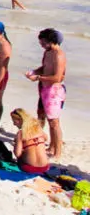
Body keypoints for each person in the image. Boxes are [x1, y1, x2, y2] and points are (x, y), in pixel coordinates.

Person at [26, 28, 67, 161]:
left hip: (54, 91)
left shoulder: (59, 55)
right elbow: (44, 68)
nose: (41, 44)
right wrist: (33, 71)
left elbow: (57, 77)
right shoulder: (47, 52)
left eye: (43, 42)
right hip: (44, 89)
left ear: (51, 41)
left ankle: (57, 152)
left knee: (54, 122)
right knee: (44, 118)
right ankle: (51, 147)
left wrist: (38, 78)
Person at [10, 108, 50, 174]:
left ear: (20, 120)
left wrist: (18, 146)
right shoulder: (38, 128)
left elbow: (17, 154)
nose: (14, 124)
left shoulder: (20, 133)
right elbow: (46, 138)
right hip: (45, 167)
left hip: (30, 168)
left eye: (14, 121)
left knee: (21, 157)